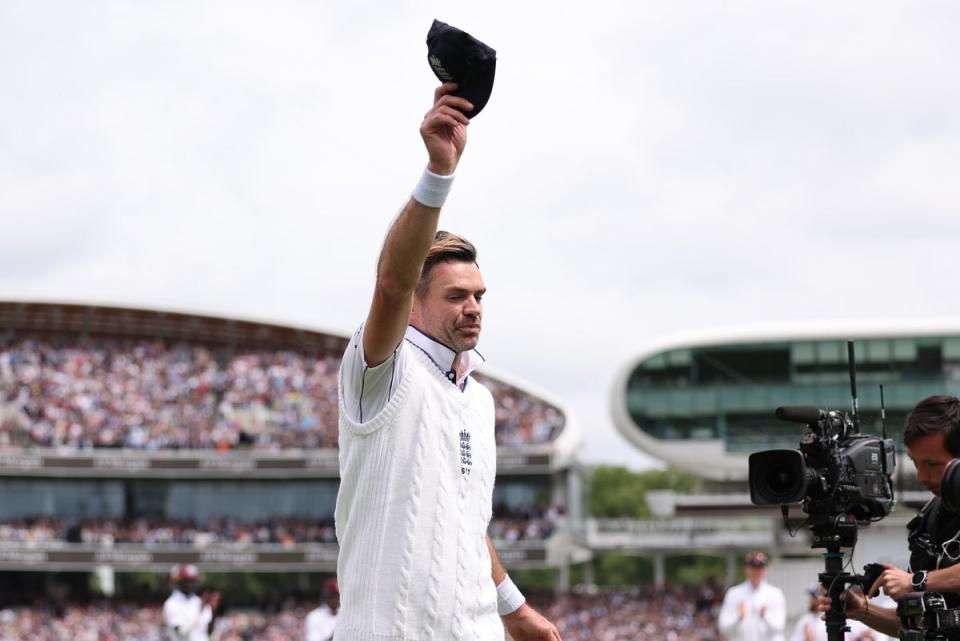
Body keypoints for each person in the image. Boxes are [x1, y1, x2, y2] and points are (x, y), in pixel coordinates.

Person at [333, 83, 561, 641]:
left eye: (480, 296)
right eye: (457, 295)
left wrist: (514, 609)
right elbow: (390, 282)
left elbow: (467, 522)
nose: (474, 308)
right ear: (417, 300)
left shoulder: (478, 400)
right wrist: (439, 173)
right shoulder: (381, 372)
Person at [819, 395, 960, 638]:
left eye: (932, 464)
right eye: (916, 463)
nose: (921, 476)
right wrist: (862, 609)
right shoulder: (930, 516)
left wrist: (916, 580)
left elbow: (918, 582)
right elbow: (916, 626)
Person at [718, 551, 786, 641]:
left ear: (765, 571)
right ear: (746, 569)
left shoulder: (775, 594)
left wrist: (765, 617)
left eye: (760, 568)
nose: (756, 572)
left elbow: (779, 627)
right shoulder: (734, 593)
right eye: (753, 567)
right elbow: (724, 628)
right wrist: (739, 617)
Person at [162, 564, 221, 641]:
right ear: (179, 582)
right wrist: (200, 610)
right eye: (187, 581)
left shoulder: (199, 601)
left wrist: (213, 612)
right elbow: (181, 632)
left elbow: (208, 631)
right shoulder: (171, 603)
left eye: (193, 581)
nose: (191, 584)